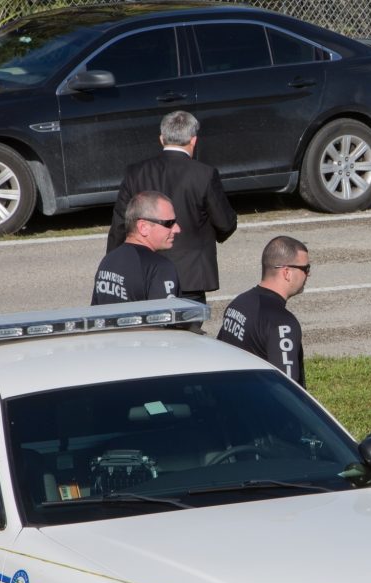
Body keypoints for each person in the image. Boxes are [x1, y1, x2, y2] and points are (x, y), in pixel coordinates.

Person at [107, 110, 237, 304]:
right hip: (190, 277)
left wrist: (114, 263)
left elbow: (120, 225)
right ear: (193, 140)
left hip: (145, 272)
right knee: (189, 333)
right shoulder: (204, 174)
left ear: (162, 139)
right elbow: (225, 223)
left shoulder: (136, 173)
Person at [217, 236, 309, 387]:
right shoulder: (282, 323)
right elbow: (287, 387)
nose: (308, 275)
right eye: (306, 269)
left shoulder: (238, 303)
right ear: (287, 272)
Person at [91, 191, 180, 305]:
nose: (177, 229)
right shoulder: (160, 267)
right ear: (143, 227)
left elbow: (96, 315)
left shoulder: (108, 262)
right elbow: (165, 319)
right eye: (169, 223)